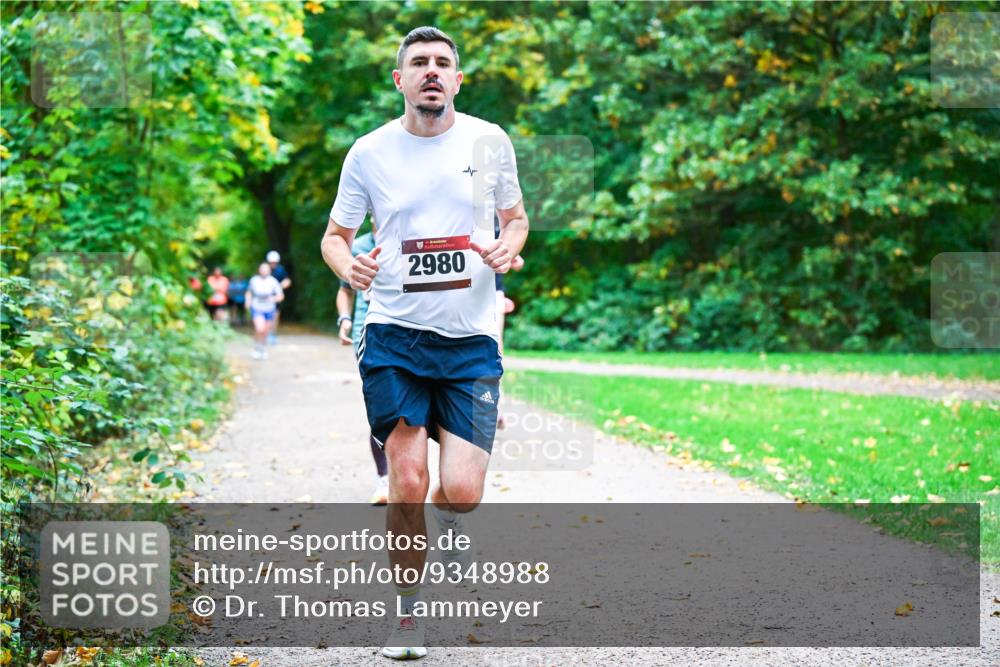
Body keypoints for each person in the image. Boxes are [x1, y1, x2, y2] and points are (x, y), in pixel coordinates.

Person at [320, 26, 528, 660]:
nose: (431, 71)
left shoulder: (488, 142)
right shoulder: (369, 152)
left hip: (469, 340)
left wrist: (507, 247)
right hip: (393, 334)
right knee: (407, 479)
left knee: (461, 494)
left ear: (457, 80)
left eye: (443, 63)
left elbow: (516, 221)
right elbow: (336, 235)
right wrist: (345, 267)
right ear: (400, 80)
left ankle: (448, 520)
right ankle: (407, 615)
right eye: (419, 63)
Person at [336, 226, 390, 506]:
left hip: (408, 333)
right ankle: (385, 477)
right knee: (383, 406)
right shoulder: (358, 246)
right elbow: (345, 291)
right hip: (367, 335)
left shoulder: (412, 233)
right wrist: (344, 319)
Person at [245, 262, 284, 360]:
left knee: (265, 331)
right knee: (259, 328)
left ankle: (262, 349)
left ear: (269, 270)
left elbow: (280, 296)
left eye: (266, 269)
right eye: (262, 269)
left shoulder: (273, 281)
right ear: (259, 270)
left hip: (269, 309)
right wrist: (247, 302)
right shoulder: (254, 280)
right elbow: (249, 292)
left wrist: (274, 299)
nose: (264, 271)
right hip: (257, 308)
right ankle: (257, 349)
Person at [265, 250, 292, 344]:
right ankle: (265, 333)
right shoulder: (265, 270)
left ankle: (272, 334)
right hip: (265, 297)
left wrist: (279, 286)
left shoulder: (280, 270)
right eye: (271, 262)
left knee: (275, 315)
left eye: (274, 262)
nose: (273, 264)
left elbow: (287, 281)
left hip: (276, 297)